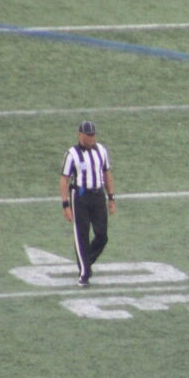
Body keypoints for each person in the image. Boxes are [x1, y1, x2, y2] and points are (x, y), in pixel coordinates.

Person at [59, 120, 116, 287]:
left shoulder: (102, 151)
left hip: (98, 195)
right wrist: (65, 204)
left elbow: (107, 174)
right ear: (80, 135)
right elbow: (64, 180)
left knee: (102, 236)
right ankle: (84, 273)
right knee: (81, 235)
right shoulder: (72, 154)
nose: (91, 138)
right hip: (80, 196)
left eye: (93, 135)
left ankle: (86, 262)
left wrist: (111, 198)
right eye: (88, 135)